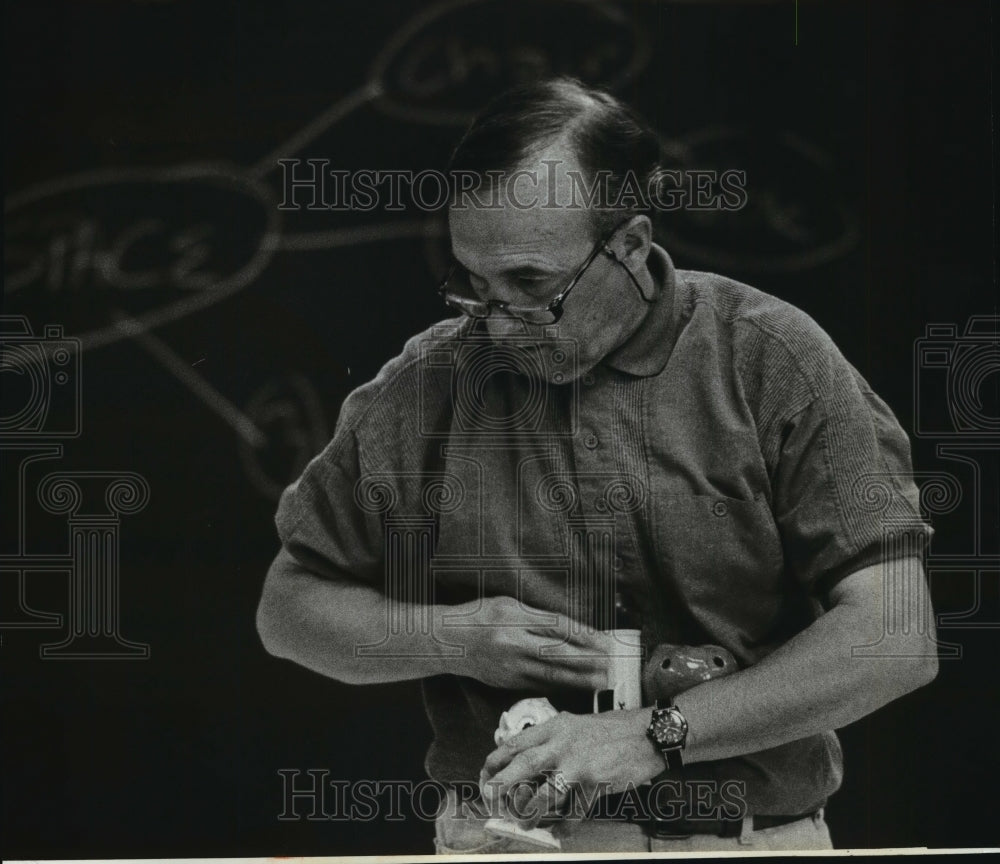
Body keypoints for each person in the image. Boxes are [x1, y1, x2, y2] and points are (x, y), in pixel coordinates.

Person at [255, 77, 938, 853]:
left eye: (531, 286)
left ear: (631, 245)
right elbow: (289, 609)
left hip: (745, 841)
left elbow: (896, 634)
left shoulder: (774, 361)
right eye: (473, 285)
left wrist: (655, 734)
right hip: (510, 843)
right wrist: (451, 637)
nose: (499, 324)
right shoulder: (426, 389)